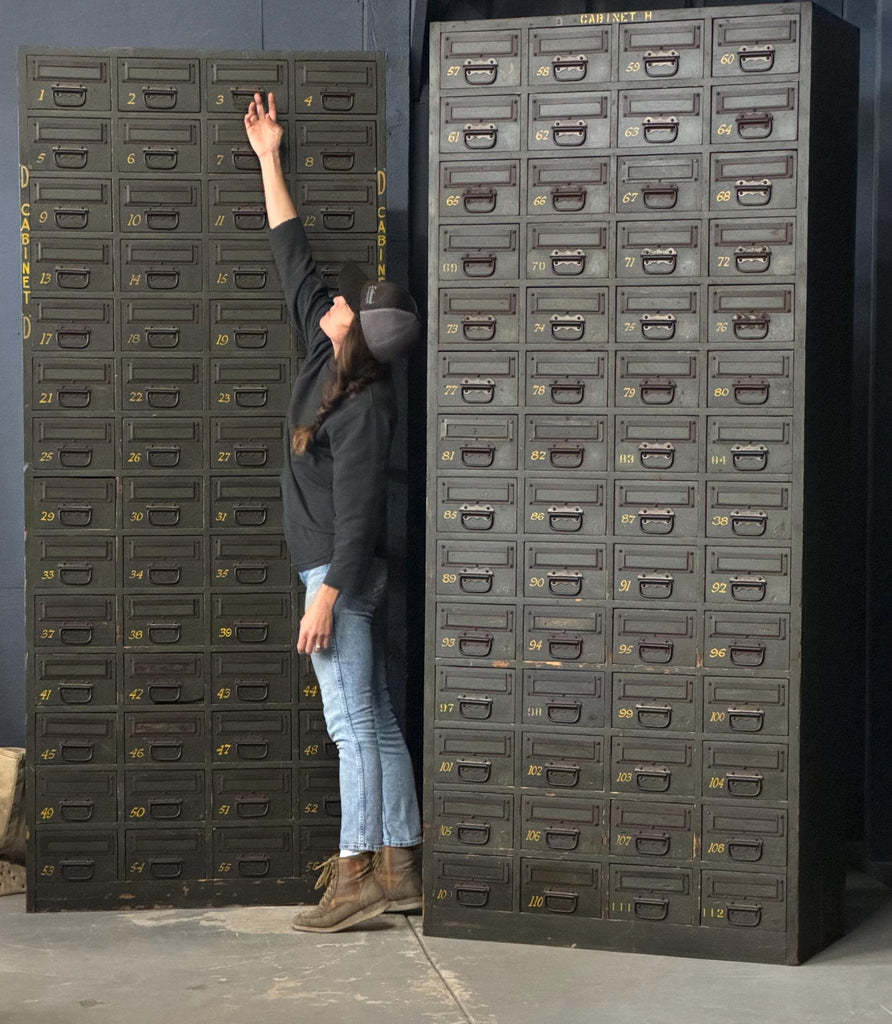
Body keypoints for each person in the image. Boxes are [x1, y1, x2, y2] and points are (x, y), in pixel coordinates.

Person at [244, 92, 423, 933]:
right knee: (376, 712)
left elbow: (357, 519)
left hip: (340, 574)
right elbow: (293, 254)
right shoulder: (326, 349)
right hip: (343, 573)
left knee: (349, 722)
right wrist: (268, 158)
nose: (342, 295)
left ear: (361, 336)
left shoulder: (362, 411)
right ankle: (401, 863)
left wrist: (323, 597)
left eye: (356, 303)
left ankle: (354, 878)